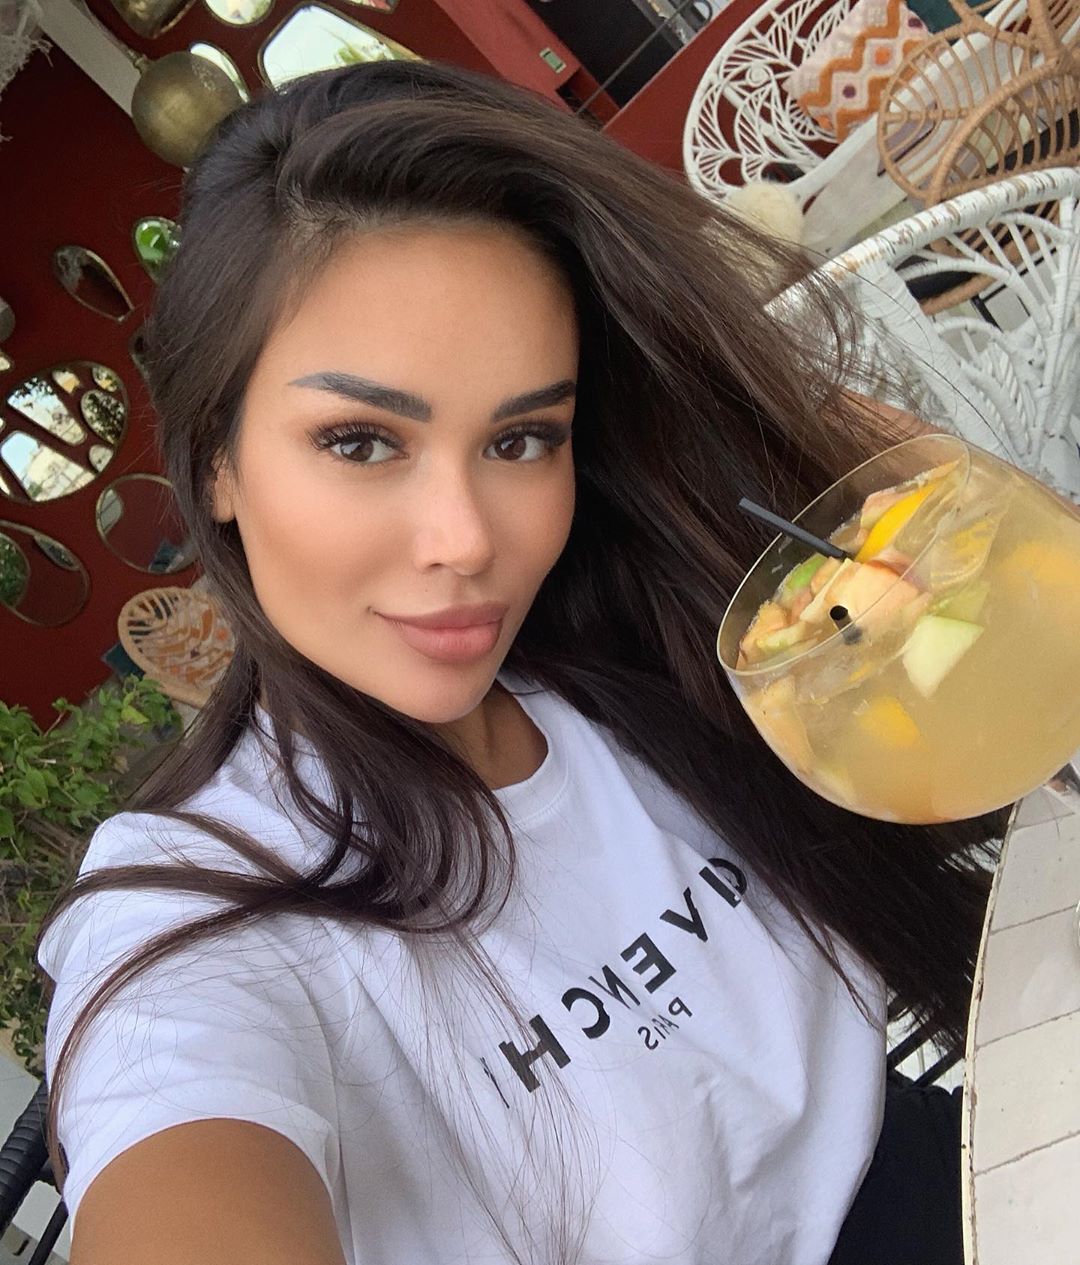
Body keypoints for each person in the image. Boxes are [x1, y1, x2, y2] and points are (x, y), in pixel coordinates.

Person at [34, 59, 1007, 1265]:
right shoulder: (196, 914)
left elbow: (997, 581)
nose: (467, 540)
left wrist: (722, 391)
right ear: (217, 460)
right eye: (360, 440)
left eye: (521, 437)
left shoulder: (652, 648)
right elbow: (179, 1140)